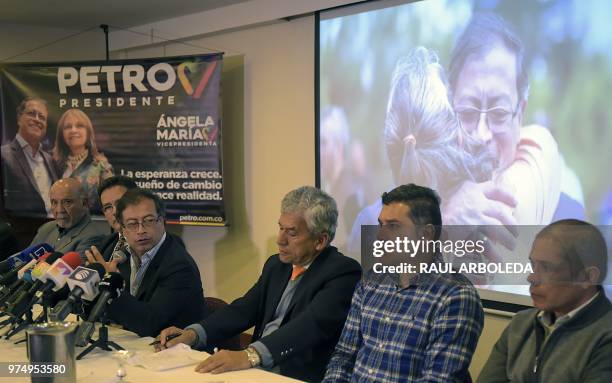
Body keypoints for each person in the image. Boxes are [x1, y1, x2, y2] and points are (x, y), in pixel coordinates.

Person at [154, 186, 362, 382]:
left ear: (320, 241)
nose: (280, 239)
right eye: (280, 228)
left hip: (293, 375)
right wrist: (193, 334)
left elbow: (310, 326)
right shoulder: (277, 265)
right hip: (257, 370)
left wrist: (249, 356)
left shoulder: (343, 272)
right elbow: (244, 309)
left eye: (292, 233)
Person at [324, 184, 484, 382]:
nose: (380, 236)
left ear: (426, 234)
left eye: (393, 226)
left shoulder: (456, 295)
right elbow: (343, 356)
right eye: (380, 224)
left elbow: (438, 379)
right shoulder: (371, 281)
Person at [446, 12, 583, 228]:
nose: (482, 136)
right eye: (468, 113)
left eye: (499, 114)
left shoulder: (566, 216)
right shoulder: (404, 207)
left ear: (519, 115)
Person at [477, 219, 612, 382]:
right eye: (533, 265)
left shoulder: (606, 336)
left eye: (547, 268)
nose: (531, 277)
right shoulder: (520, 324)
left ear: (587, 277)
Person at [85, 188, 206, 337]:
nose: (141, 230)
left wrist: (112, 287)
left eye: (148, 221)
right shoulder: (122, 255)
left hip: (174, 351)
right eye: (132, 224)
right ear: (123, 229)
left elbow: (149, 324)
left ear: (161, 221)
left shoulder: (179, 265)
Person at [1, 97, 59, 216]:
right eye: (32, 114)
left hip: (53, 230)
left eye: (42, 117)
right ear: (19, 118)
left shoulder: (50, 160)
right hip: (19, 232)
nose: (37, 120)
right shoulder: (3, 155)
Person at [52, 108, 113, 212]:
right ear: (61, 134)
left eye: (79, 126)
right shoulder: (52, 163)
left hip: (92, 224)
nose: (73, 130)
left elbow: (112, 202)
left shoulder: (100, 165)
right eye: (67, 127)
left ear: (88, 132)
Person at [30, 178, 106, 257]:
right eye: (54, 202)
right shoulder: (45, 229)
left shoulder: (93, 236)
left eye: (67, 202)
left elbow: (76, 269)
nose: (59, 210)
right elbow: (24, 261)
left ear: (84, 203)